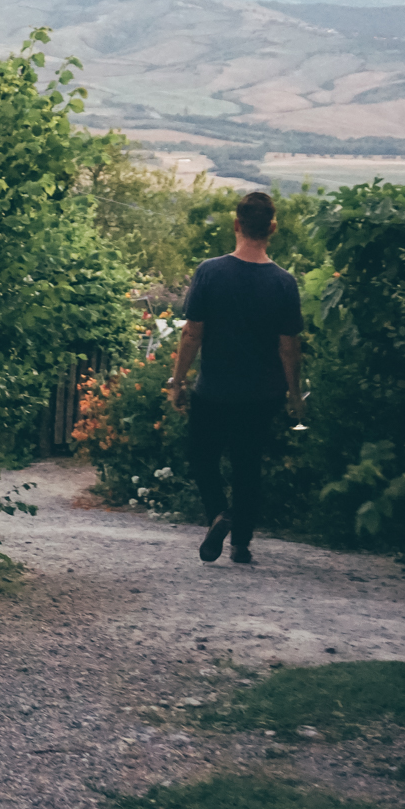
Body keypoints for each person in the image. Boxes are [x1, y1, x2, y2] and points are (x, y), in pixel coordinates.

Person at [165, 191, 304, 564]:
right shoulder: (284, 282)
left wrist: (177, 381)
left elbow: (192, 333)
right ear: (272, 227)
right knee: (248, 464)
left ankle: (218, 514)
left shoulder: (210, 272)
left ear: (236, 224)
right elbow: (289, 347)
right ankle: (241, 543)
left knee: (202, 456)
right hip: (263, 394)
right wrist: (295, 395)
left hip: (214, 389)